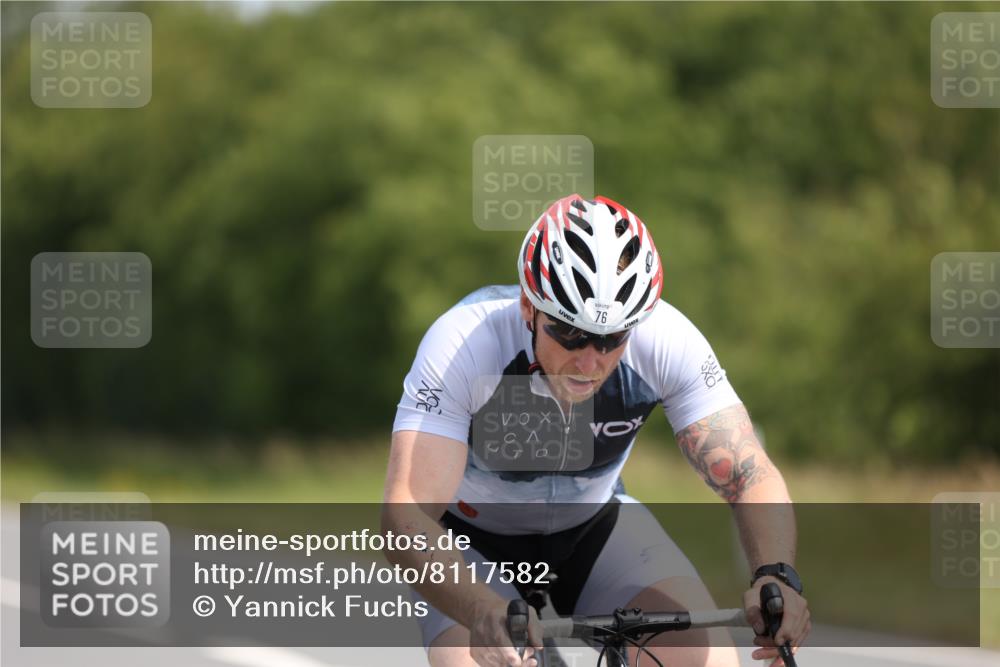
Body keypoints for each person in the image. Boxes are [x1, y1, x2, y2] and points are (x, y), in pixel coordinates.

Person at [382, 194, 810, 667]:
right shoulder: (464, 344)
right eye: (570, 334)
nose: (589, 362)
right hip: (470, 539)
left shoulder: (666, 339)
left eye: (611, 339)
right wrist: (481, 609)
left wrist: (777, 577)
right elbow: (406, 515)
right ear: (528, 307)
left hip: (593, 524)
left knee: (708, 661)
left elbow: (749, 474)